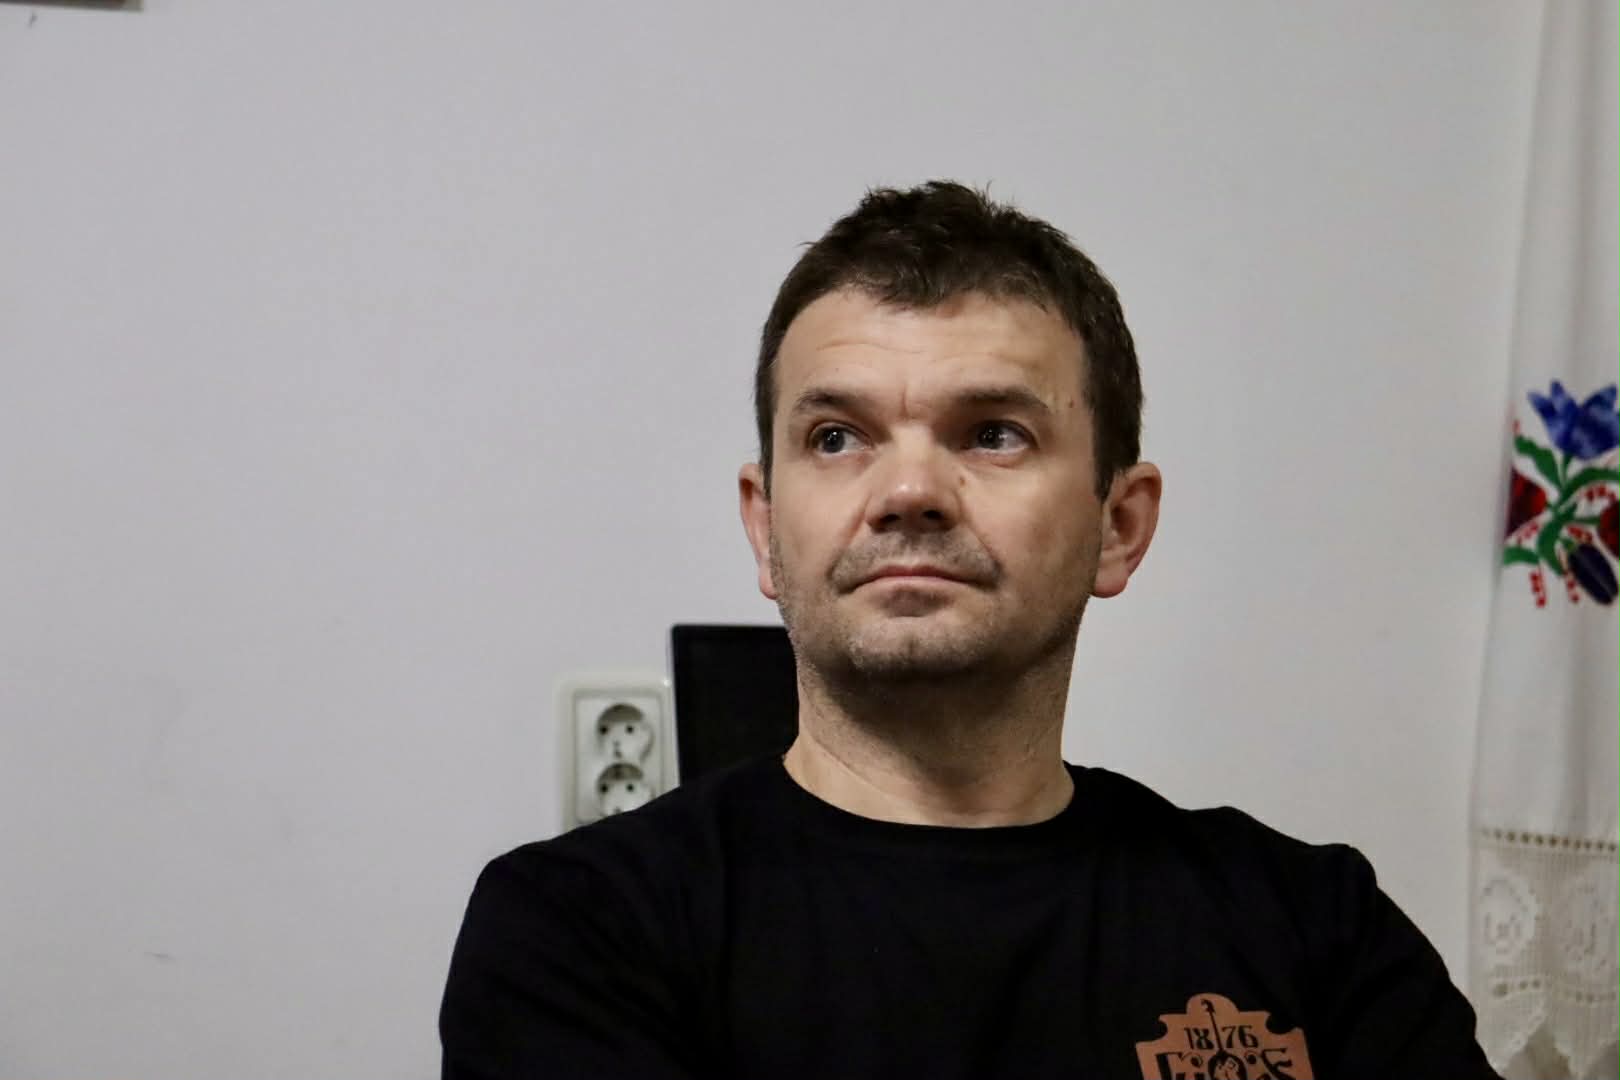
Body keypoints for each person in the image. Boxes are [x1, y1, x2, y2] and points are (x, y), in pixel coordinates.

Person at [440, 181, 1500, 1079]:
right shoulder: (580, 928)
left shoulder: (1313, 926)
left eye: (993, 433)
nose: (909, 492)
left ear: (1119, 527)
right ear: (765, 527)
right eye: (837, 436)